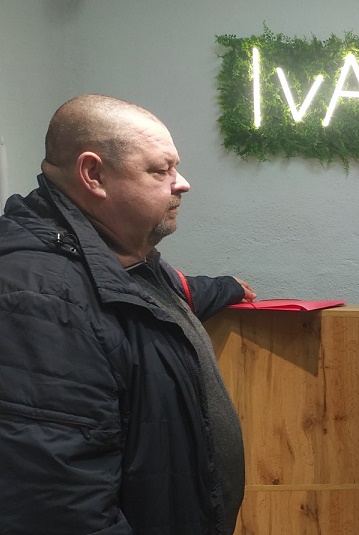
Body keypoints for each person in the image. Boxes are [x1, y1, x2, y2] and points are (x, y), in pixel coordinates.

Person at [0, 95, 257, 535]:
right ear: (94, 175)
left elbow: (161, 305)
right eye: (160, 170)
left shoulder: (127, 261)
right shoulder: (44, 301)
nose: (182, 184)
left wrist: (227, 287)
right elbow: (60, 508)